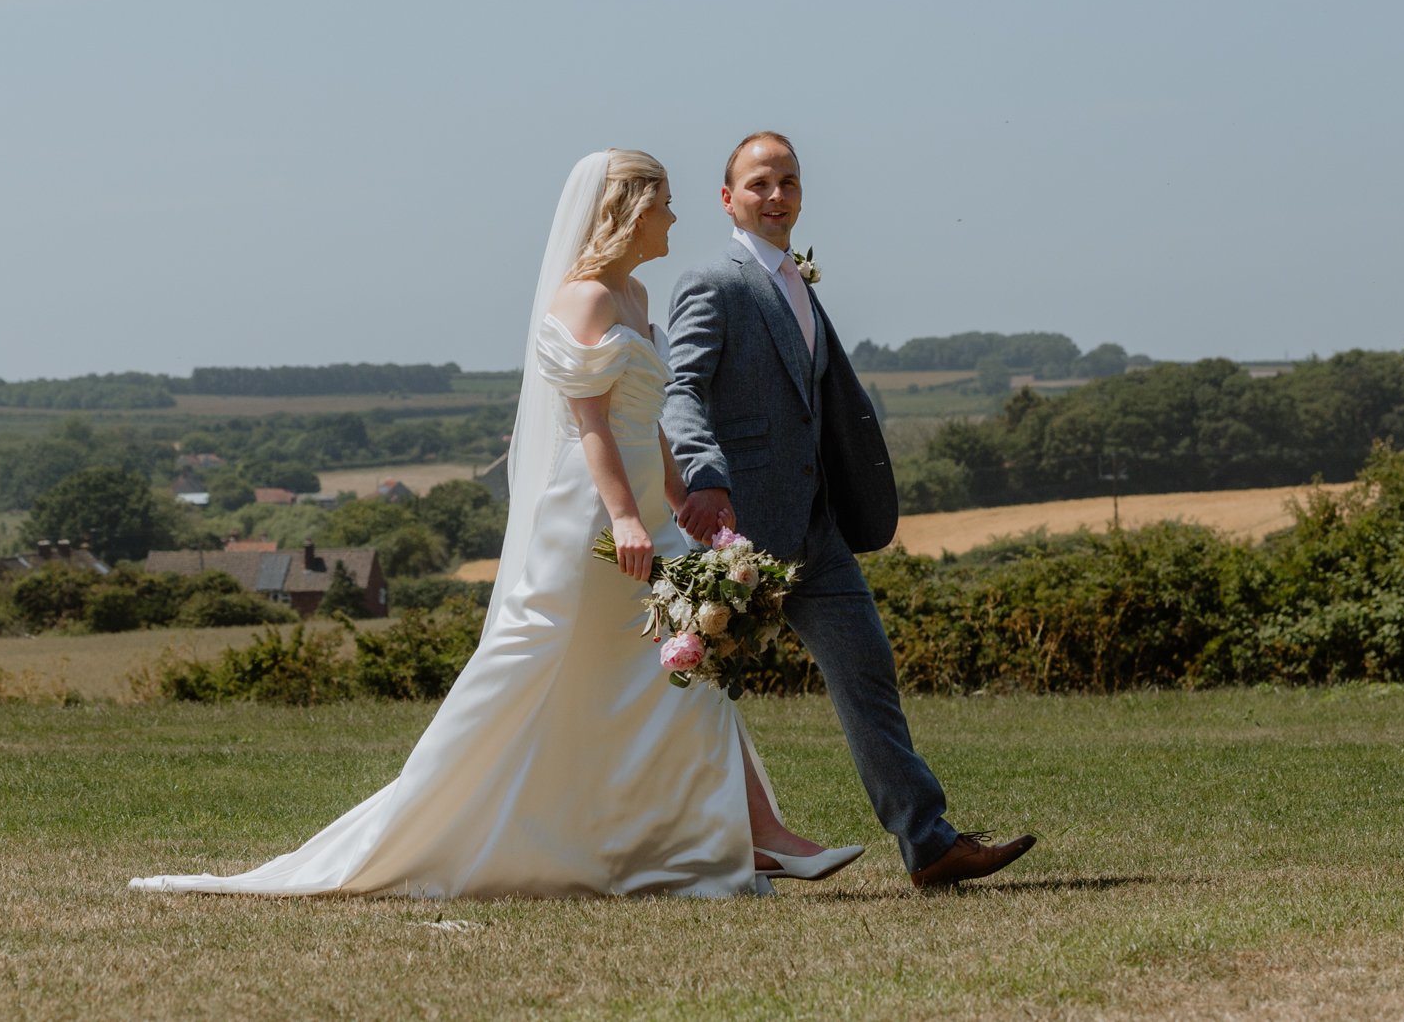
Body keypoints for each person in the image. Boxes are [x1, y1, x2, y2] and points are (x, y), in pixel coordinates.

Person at [130, 149, 852, 898]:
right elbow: (595, 427)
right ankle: (427, 822)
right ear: (631, 211)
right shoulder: (585, 302)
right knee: (533, 661)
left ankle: (735, 837)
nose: (674, 214)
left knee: (687, 665)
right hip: (593, 519)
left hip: (643, 513)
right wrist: (626, 518)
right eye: (664, 200)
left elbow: (649, 422)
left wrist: (679, 496)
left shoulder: (636, 293)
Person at [663, 131, 1037, 890]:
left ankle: (927, 843)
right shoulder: (713, 279)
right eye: (760, 183)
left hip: (816, 527)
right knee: (685, 696)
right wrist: (705, 477)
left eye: (789, 182)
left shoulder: (798, 281)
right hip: (742, 536)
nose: (777, 196)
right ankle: (672, 838)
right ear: (728, 198)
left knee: (868, 668)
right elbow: (682, 390)